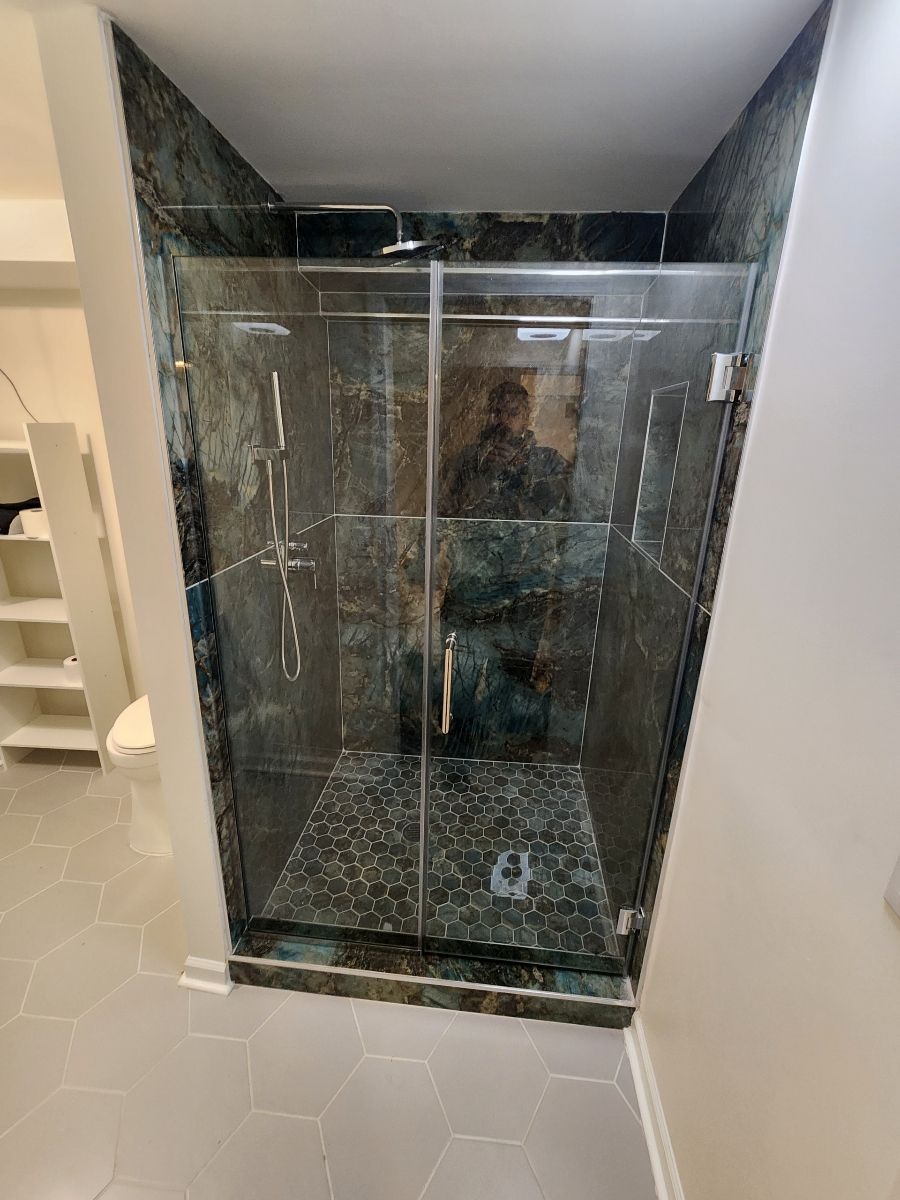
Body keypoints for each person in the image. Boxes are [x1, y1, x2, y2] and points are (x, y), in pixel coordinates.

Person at [442, 381, 570, 520]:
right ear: (489, 416)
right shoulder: (466, 459)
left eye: (513, 413)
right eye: (497, 413)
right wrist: (485, 475)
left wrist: (524, 469)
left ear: (526, 417)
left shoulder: (549, 460)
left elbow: (566, 509)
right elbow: (444, 509)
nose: (504, 420)